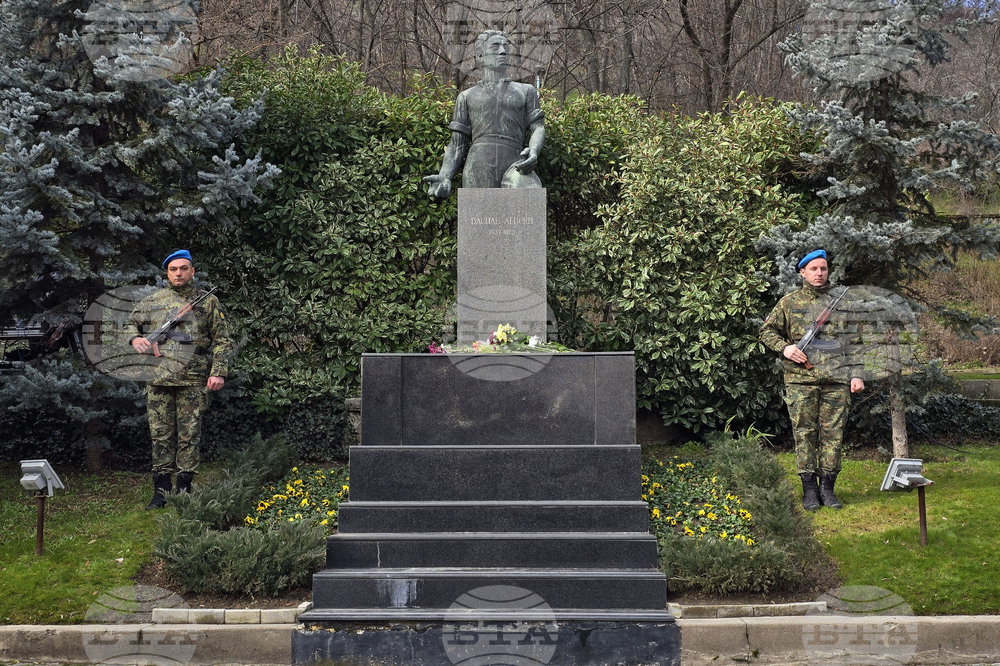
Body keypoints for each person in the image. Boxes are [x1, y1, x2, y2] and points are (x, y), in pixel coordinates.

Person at [760, 249, 864, 510]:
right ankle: (809, 490)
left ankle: (827, 490)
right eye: (814, 269)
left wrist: (857, 373)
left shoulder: (842, 304)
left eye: (823, 269)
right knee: (804, 433)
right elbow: (766, 331)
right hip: (800, 381)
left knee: (833, 435)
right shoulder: (788, 303)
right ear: (802, 272)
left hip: (836, 380)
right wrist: (785, 348)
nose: (819, 273)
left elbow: (855, 342)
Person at [129, 249, 230, 509]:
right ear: (167, 273)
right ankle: (161, 491)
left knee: (189, 435)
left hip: (193, 379)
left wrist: (218, 371)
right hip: (158, 378)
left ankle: (184, 490)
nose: (178, 273)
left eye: (184, 268)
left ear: (192, 271)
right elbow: (130, 324)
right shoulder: (154, 300)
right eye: (173, 269)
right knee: (160, 435)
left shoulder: (208, 301)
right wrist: (135, 338)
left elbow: (221, 340)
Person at [423, 29, 545, 201]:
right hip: (478, 166)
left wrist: (533, 151)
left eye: (506, 47)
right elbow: (457, 144)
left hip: (515, 162)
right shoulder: (466, 96)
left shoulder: (526, 91)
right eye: (495, 47)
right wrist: (445, 176)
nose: (503, 51)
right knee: (479, 214)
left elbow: (538, 127)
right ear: (480, 56)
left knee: (530, 197)